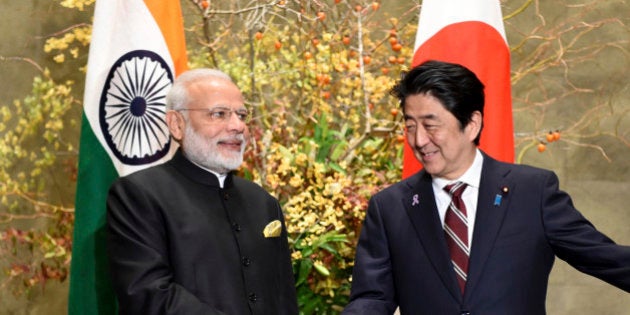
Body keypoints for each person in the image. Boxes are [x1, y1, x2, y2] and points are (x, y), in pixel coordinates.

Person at [343, 60, 630, 314]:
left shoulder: (532, 192)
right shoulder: (390, 207)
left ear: (471, 124)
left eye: (431, 126)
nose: (419, 140)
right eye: (409, 126)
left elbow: (605, 258)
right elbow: (372, 299)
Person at [106, 69, 298, 314]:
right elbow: (149, 297)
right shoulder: (138, 196)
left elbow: (284, 298)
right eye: (219, 114)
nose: (237, 126)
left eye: (241, 115)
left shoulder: (262, 202)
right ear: (176, 124)